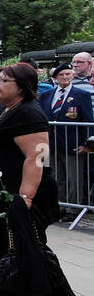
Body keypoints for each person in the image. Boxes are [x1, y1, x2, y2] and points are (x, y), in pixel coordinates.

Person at [0, 63, 89, 296]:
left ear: (21, 87)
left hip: (22, 197)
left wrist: (24, 198)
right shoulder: (8, 111)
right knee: (1, 254)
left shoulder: (29, 114)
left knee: (31, 254)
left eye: (3, 80)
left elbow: (37, 158)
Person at [44, 62, 94, 206]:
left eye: (68, 74)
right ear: (55, 77)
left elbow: (87, 120)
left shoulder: (81, 95)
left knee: (74, 179)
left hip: (72, 144)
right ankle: (59, 205)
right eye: (61, 74)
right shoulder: (47, 94)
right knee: (57, 177)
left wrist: (86, 145)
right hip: (52, 144)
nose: (65, 77)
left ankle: (73, 208)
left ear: (72, 76)